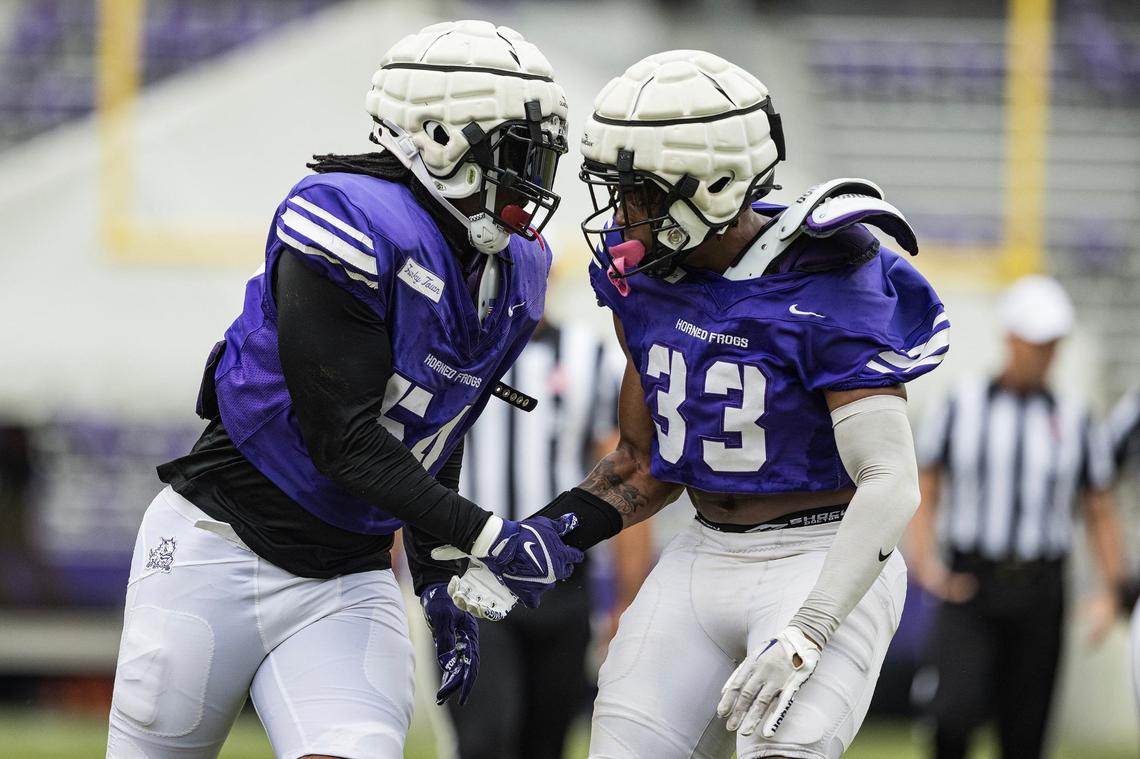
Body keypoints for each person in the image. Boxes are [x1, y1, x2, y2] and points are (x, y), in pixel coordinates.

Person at [444, 49, 948, 759]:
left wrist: (809, 629)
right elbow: (641, 463)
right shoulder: (645, 281)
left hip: (825, 552)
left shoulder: (830, 272)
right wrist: (544, 538)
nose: (619, 214)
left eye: (637, 192)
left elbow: (891, 481)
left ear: (708, 186)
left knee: (784, 749)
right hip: (704, 551)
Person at [105, 20, 585, 759]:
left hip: (347, 572)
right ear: (438, 137)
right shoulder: (346, 216)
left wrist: (436, 573)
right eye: (517, 154)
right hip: (217, 544)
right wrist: (485, 535)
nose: (530, 179)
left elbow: (439, 431)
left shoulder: (516, 268)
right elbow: (344, 439)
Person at [906, 275, 1124, 759]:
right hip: (972, 578)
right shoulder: (960, 404)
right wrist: (927, 564)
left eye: (1053, 344)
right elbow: (926, 485)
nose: (1045, 354)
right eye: (1036, 342)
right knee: (951, 715)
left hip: (1041, 587)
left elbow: (1099, 507)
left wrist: (1108, 591)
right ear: (1010, 338)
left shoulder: (1076, 417)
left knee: (1026, 733)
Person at [446, 317, 626, 759]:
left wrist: (627, 597)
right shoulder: (446, 345)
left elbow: (623, 477)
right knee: (484, 737)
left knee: (546, 742)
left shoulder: (590, 354)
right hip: (469, 573)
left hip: (562, 582)